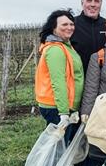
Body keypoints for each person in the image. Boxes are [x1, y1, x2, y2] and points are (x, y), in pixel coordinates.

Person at [35, 9, 84, 145]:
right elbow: (58, 82)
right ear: (54, 28)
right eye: (64, 25)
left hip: (64, 105)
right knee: (57, 148)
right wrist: (63, 113)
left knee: (61, 145)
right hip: (57, 107)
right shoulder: (55, 50)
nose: (69, 27)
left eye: (71, 24)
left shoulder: (65, 45)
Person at [71, 0, 106, 73]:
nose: (93, 4)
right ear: (82, 2)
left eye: (97, 1)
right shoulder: (71, 24)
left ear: (101, 4)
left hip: (104, 81)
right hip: (79, 79)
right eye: (89, 0)